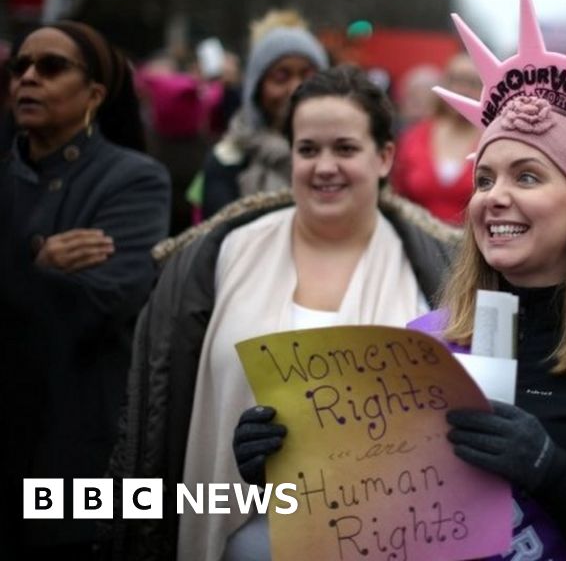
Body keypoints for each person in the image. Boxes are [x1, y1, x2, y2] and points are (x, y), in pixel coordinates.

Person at [232, 0, 566, 559]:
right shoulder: (422, 348)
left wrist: (549, 471)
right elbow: (359, 519)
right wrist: (281, 472)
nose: (494, 198)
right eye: (485, 180)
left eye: (527, 177)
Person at [104, 66, 458, 561]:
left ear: (384, 157)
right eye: (308, 149)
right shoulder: (220, 256)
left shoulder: (438, 272)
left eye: (345, 148)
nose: (324, 166)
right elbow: (162, 407)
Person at [0, 20, 170, 557]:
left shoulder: (136, 180)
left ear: (94, 94)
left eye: (50, 68)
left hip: (84, 443)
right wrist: (41, 261)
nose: (28, 78)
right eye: (19, 67)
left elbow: (100, 303)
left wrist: (22, 268)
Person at [199, 9, 328, 218]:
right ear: (256, 88)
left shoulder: (344, 157)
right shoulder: (228, 159)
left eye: (308, 75)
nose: (295, 88)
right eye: (281, 76)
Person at [390, 53, 481, 225]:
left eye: (473, 83)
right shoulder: (414, 136)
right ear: (444, 84)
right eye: (456, 80)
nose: (463, 90)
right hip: (417, 244)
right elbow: (396, 196)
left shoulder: (493, 141)